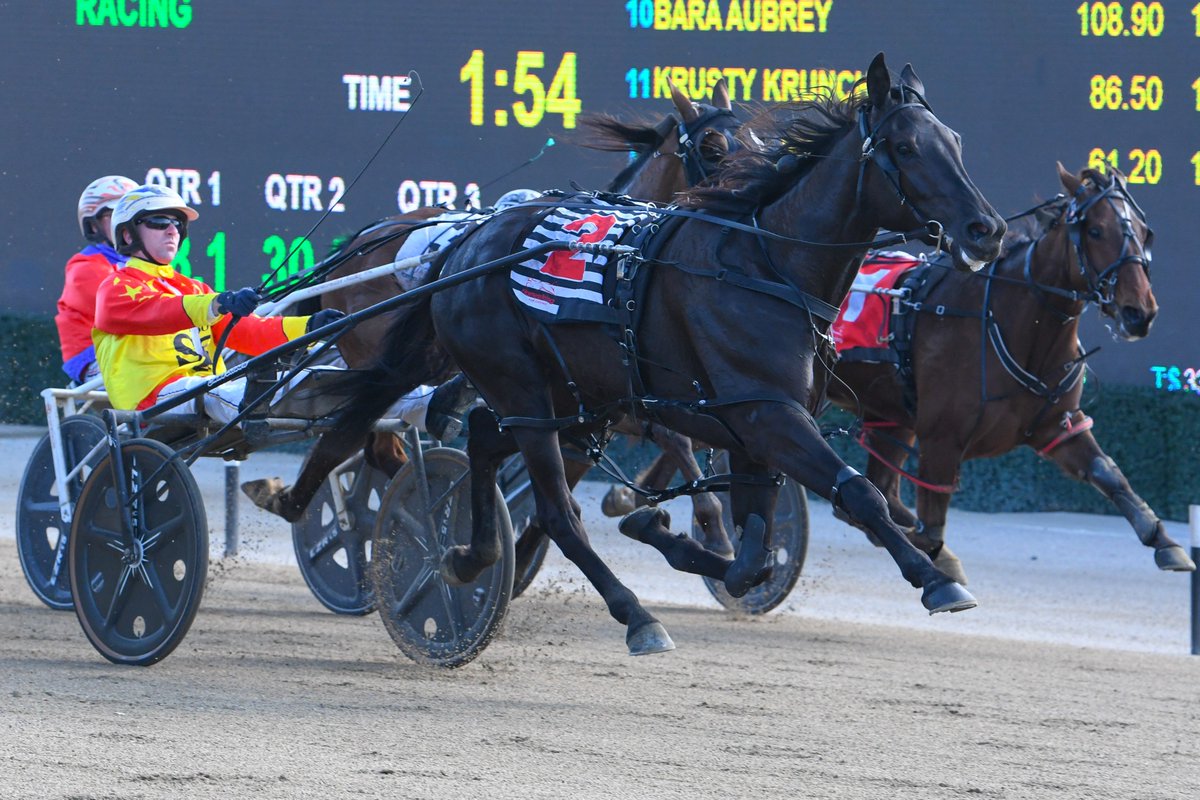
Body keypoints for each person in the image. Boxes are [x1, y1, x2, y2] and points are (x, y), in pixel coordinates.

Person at [93, 184, 473, 439]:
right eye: (159, 222)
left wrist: (310, 325)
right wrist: (216, 303)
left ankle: (424, 403)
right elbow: (155, 313)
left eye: (177, 223)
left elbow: (249, 333)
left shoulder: (191, 287)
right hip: (154, 397)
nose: (172, 230)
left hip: (207, 391)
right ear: (128, 235)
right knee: (225, 390)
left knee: (324, 378)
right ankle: (253, 406)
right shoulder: (116, 287)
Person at [55, 175, 138, 383]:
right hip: (95, 358)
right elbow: (127, 311)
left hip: (144, 352)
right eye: (116, 214)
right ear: (93, 226)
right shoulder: (86, 266)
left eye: (136, 216)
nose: (126, 222)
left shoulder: (149, 265)